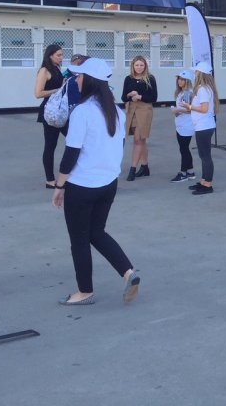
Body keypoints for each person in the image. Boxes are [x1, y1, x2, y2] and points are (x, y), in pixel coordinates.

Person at [51, 57, 140, 306]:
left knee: (79, 239)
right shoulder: (117, 112)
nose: (75, 80)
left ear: (88, 81)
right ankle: (128, 272)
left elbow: (71, 156)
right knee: (96, 232)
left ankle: (85, 292)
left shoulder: (82, 112)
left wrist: (59, 187)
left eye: (79, 76)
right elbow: (118, 147)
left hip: (82, 187)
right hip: (108, 184)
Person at [179, 61, 218, 195]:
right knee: (203, 155)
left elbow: (204, 108)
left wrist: (189, 107)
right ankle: (203, 181)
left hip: (204, 127)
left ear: (200, 73)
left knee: (205, 156)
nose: (194, 74)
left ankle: (208, 184)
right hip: (203, 126)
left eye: (196, 72)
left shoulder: (203, 89)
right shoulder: (204, 88)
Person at [121, 55, 157, 181]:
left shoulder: (150, 78)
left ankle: (133, 169)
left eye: (141, 65)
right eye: (137, 65)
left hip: (144, 110)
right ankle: (145, 167)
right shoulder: (128, 79)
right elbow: (123, 98)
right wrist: (130, 95)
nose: (139, 67)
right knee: (141, 141)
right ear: (132, 66)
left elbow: (154, 98)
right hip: (132, 110)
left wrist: (140, 96)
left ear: (145, 66)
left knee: (137, 139)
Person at [34, 44, 65, 189]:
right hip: (49, 112)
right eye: (58, 55)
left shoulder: (58, 68)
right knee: (50, 145)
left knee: (74, 139)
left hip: (62, 110)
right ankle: (50, 180)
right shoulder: (44, 71)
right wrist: (57, 90)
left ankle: (68, 174)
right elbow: (38, 93)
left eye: (62, 55)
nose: (61, 57)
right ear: (50, 55)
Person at [170, 70, 196, 182]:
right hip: (181, 124)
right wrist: (176, 111)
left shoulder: (187, 93)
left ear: (188, 81)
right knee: (184, 149)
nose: (180, 81)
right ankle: (190, 171)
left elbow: (190, 110)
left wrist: (177, 110)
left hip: (186, 125)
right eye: (179, 79)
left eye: (182, 79)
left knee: (184, 149)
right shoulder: (181, 92)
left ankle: (183, 173)